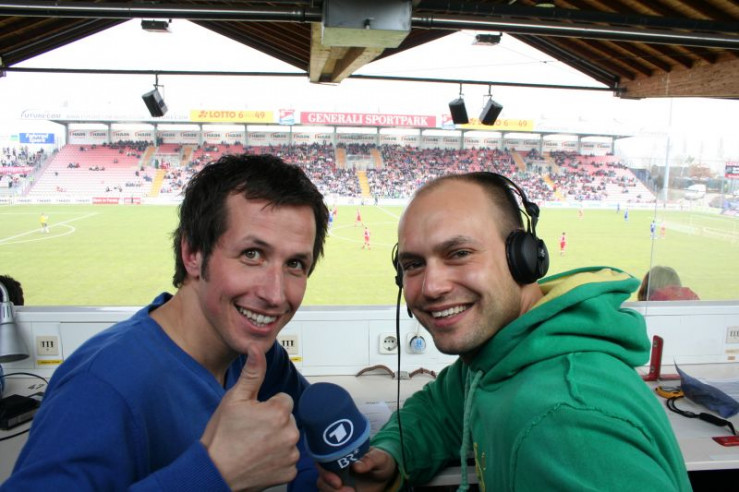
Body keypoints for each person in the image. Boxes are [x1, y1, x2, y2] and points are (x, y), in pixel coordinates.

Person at [319, 172, 690, 491]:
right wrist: (392, 455)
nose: (431, 287)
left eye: (459, 253)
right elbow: (438, 410)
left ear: (523, 257)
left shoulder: (566, 418)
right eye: (414, 264)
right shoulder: (499, 357)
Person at [5, 154, 330, 491]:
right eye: (252, 254)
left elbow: (313, 433)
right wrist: (213, 475)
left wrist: (324, 479)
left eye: (295, 264)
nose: (275, 295)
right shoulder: (100, 388)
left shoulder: (257, 356)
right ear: (193, 254)